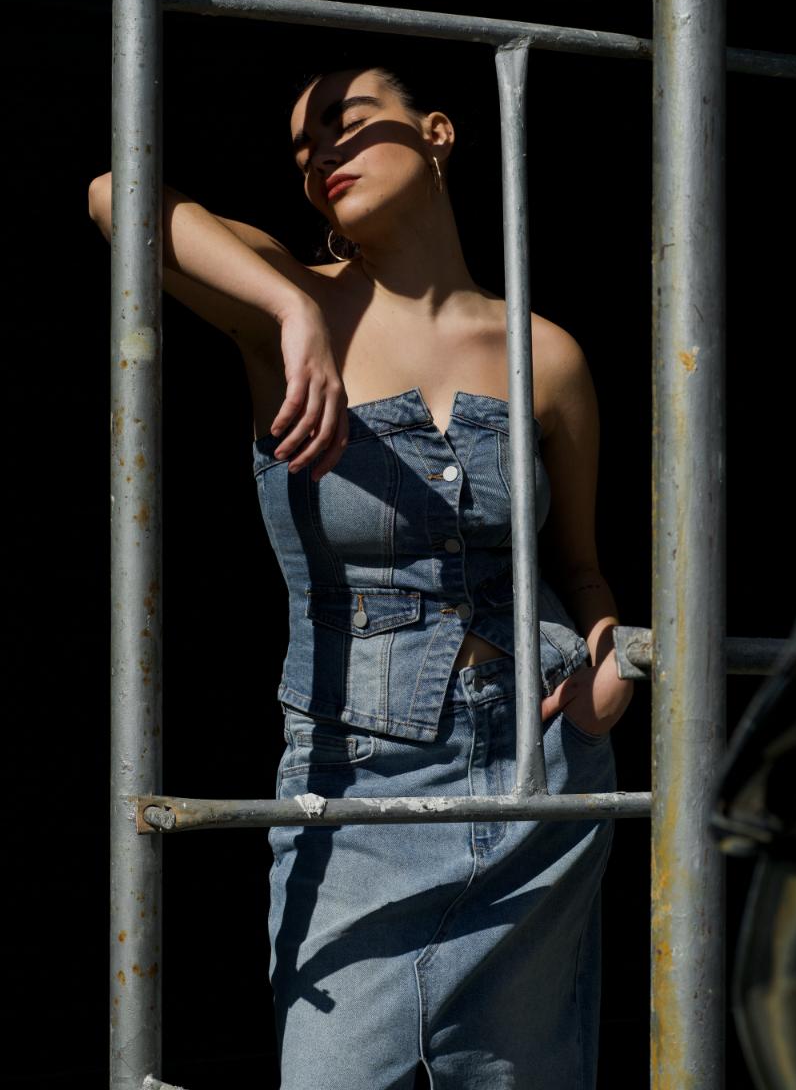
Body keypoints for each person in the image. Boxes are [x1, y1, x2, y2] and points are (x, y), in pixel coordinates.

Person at [89, 62, 633, 1089]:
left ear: (437, 133)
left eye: (347, 123)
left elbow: (580, 569)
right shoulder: (285, 299)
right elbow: (117, 194)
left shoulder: (547, 354)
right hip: (358, 780)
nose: (320, 156)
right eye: (302, 151)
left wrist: (607, 671)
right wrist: (290, 312)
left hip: (546, 771)